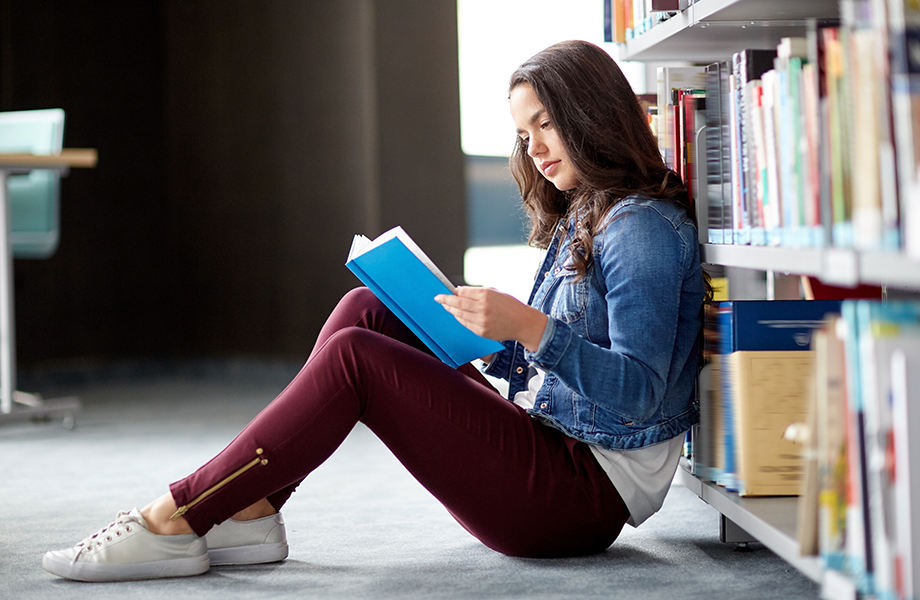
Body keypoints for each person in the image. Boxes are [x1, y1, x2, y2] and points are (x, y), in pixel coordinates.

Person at [43, 40, 709, 582]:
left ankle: (176, 517)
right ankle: (251, 510)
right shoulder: (589, 213)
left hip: (578, 499)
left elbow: (639, 394)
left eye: (546, 123)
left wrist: (529, 328)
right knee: (370, 308)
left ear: (591, 114)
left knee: (356, 360)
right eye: (522, 131)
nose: (533, 147)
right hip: (556, 447)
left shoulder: (639, 229)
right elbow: (550, 376)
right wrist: (477, 328)